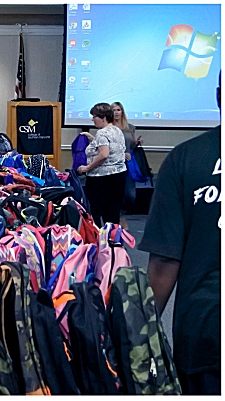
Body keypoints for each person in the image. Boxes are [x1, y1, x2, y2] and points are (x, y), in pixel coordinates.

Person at [140, 78, 221, 395]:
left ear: (218, 96)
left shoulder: (186, 159)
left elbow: (163, 264)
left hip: (207, 328)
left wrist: (141, 331)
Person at [76, 103, 129, 225]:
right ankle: (112, 240)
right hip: (119, 176)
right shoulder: (117, 130)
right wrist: (92, 138)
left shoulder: (102, 133)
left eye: (94, 116)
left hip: (101, 179)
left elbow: (104, 154)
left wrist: (87, 168)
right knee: (112, 213)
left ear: (103, 118)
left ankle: (97, 240)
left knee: (94, 213)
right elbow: (110, 147)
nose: (92, 119)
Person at [113, 102, 141, 217]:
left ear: (122, 111)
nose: (116, 112)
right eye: (113, 110)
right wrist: (121, 153)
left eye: (118, 110)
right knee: (115, 193)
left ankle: (121, 213)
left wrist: (136, 143)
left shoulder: (130, 127)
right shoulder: (109, 128)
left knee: (130, 195)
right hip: (114, 163)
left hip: (128, 164)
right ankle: (115, 217)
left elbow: (130, 146)